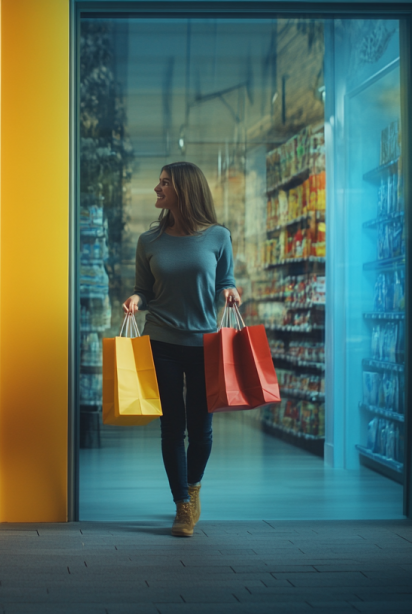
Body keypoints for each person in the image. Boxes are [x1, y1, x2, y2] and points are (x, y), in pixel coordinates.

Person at [122, 161, 241, 538]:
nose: (157, 189)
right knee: (171, 428)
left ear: (184, 190)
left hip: (206, 344)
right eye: (158, 182)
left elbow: (227, 279)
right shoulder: (149, 242)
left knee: (201, 430)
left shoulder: (219, 237)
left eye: (164, 183)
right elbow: (145, 287)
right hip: (162, 342)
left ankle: (194, 487)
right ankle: (182, 506)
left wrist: (230, 290)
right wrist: (136, 298)